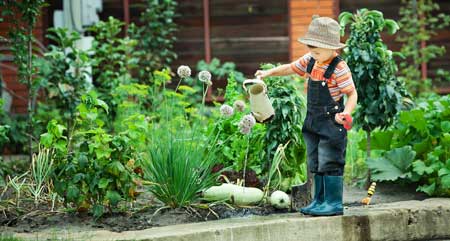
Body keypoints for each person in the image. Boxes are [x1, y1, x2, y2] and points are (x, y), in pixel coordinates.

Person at [254, 15, 357, 216]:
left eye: (317, 49)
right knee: (315, 161)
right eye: (311, 48)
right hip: (313, 121)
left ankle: (333, 203)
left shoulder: (339, 68)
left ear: (333, 47)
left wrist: (346, 113)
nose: (312, 51)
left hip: (331, 122)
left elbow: (352, 93)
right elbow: (290, 68)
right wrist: (268, 73)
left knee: (330, 160)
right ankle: (319, 200)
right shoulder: (311, 61)